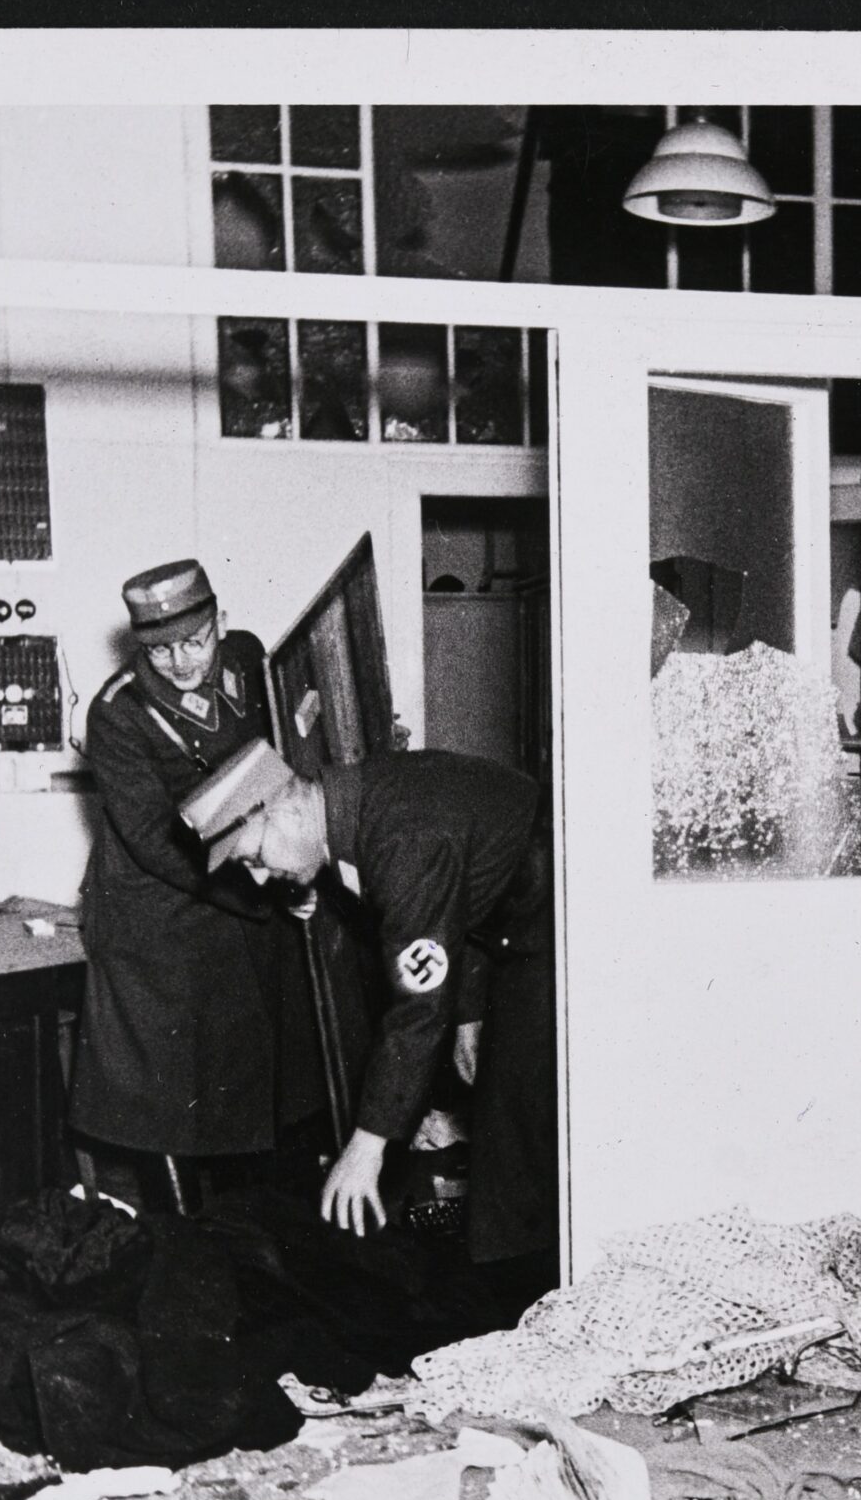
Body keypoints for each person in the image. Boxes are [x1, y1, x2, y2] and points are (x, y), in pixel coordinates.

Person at [182, 737, 558, 1329]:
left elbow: (416, 1009)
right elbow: (458, 904)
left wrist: (366, 1145)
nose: (258, 879)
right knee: (508, 1131)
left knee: (519, 1139)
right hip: (518, 917)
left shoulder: (399, 838)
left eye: (253, 857)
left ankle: (531, 1316)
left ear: (285, 809)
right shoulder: (355, 805)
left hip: (559, 913)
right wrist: (468, 1013)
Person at [68, 560, 326, 1214]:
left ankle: (253, 1233)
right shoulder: (118, 713)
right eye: (161, 650)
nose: (181, 662)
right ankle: (181, 1239)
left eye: (195, 641)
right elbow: (155, 840)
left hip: (242, 882)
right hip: (159, 916)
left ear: (221, 623)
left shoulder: (248, 660)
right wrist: (267, 888)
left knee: (255, 1084)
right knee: (170, 1101)